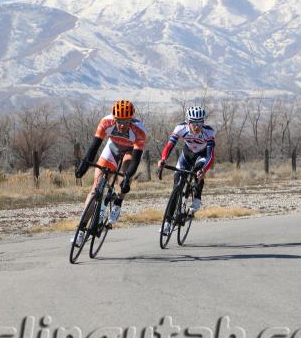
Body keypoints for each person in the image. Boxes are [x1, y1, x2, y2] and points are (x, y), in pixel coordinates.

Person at [74, 100, 147, 243]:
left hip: (130, 151)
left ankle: (119, 200)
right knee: (95, 189)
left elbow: (136, 160)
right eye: (118, 121)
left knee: (125, 175)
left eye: (125, 121)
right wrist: (84, 165)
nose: (121, 125)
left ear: (131, 119)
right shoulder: (106, 122)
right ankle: (81, 229)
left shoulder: (139, 131)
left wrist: (127, 179)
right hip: (112, 148)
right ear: (114, 118)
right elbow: (94, 148)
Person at [157, 106, 216, 235]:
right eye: (194, 123)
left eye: (200, 122)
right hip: (186, 155)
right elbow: (170, 145)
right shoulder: (181, 128)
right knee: (176, 186)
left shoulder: (209, 132)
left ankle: (197, 198)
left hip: (202, 155)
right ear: (188, 122)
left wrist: (204, 170)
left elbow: (210, 155)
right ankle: (167, 222)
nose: (197, 126)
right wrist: (163, 159)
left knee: (198, 171)